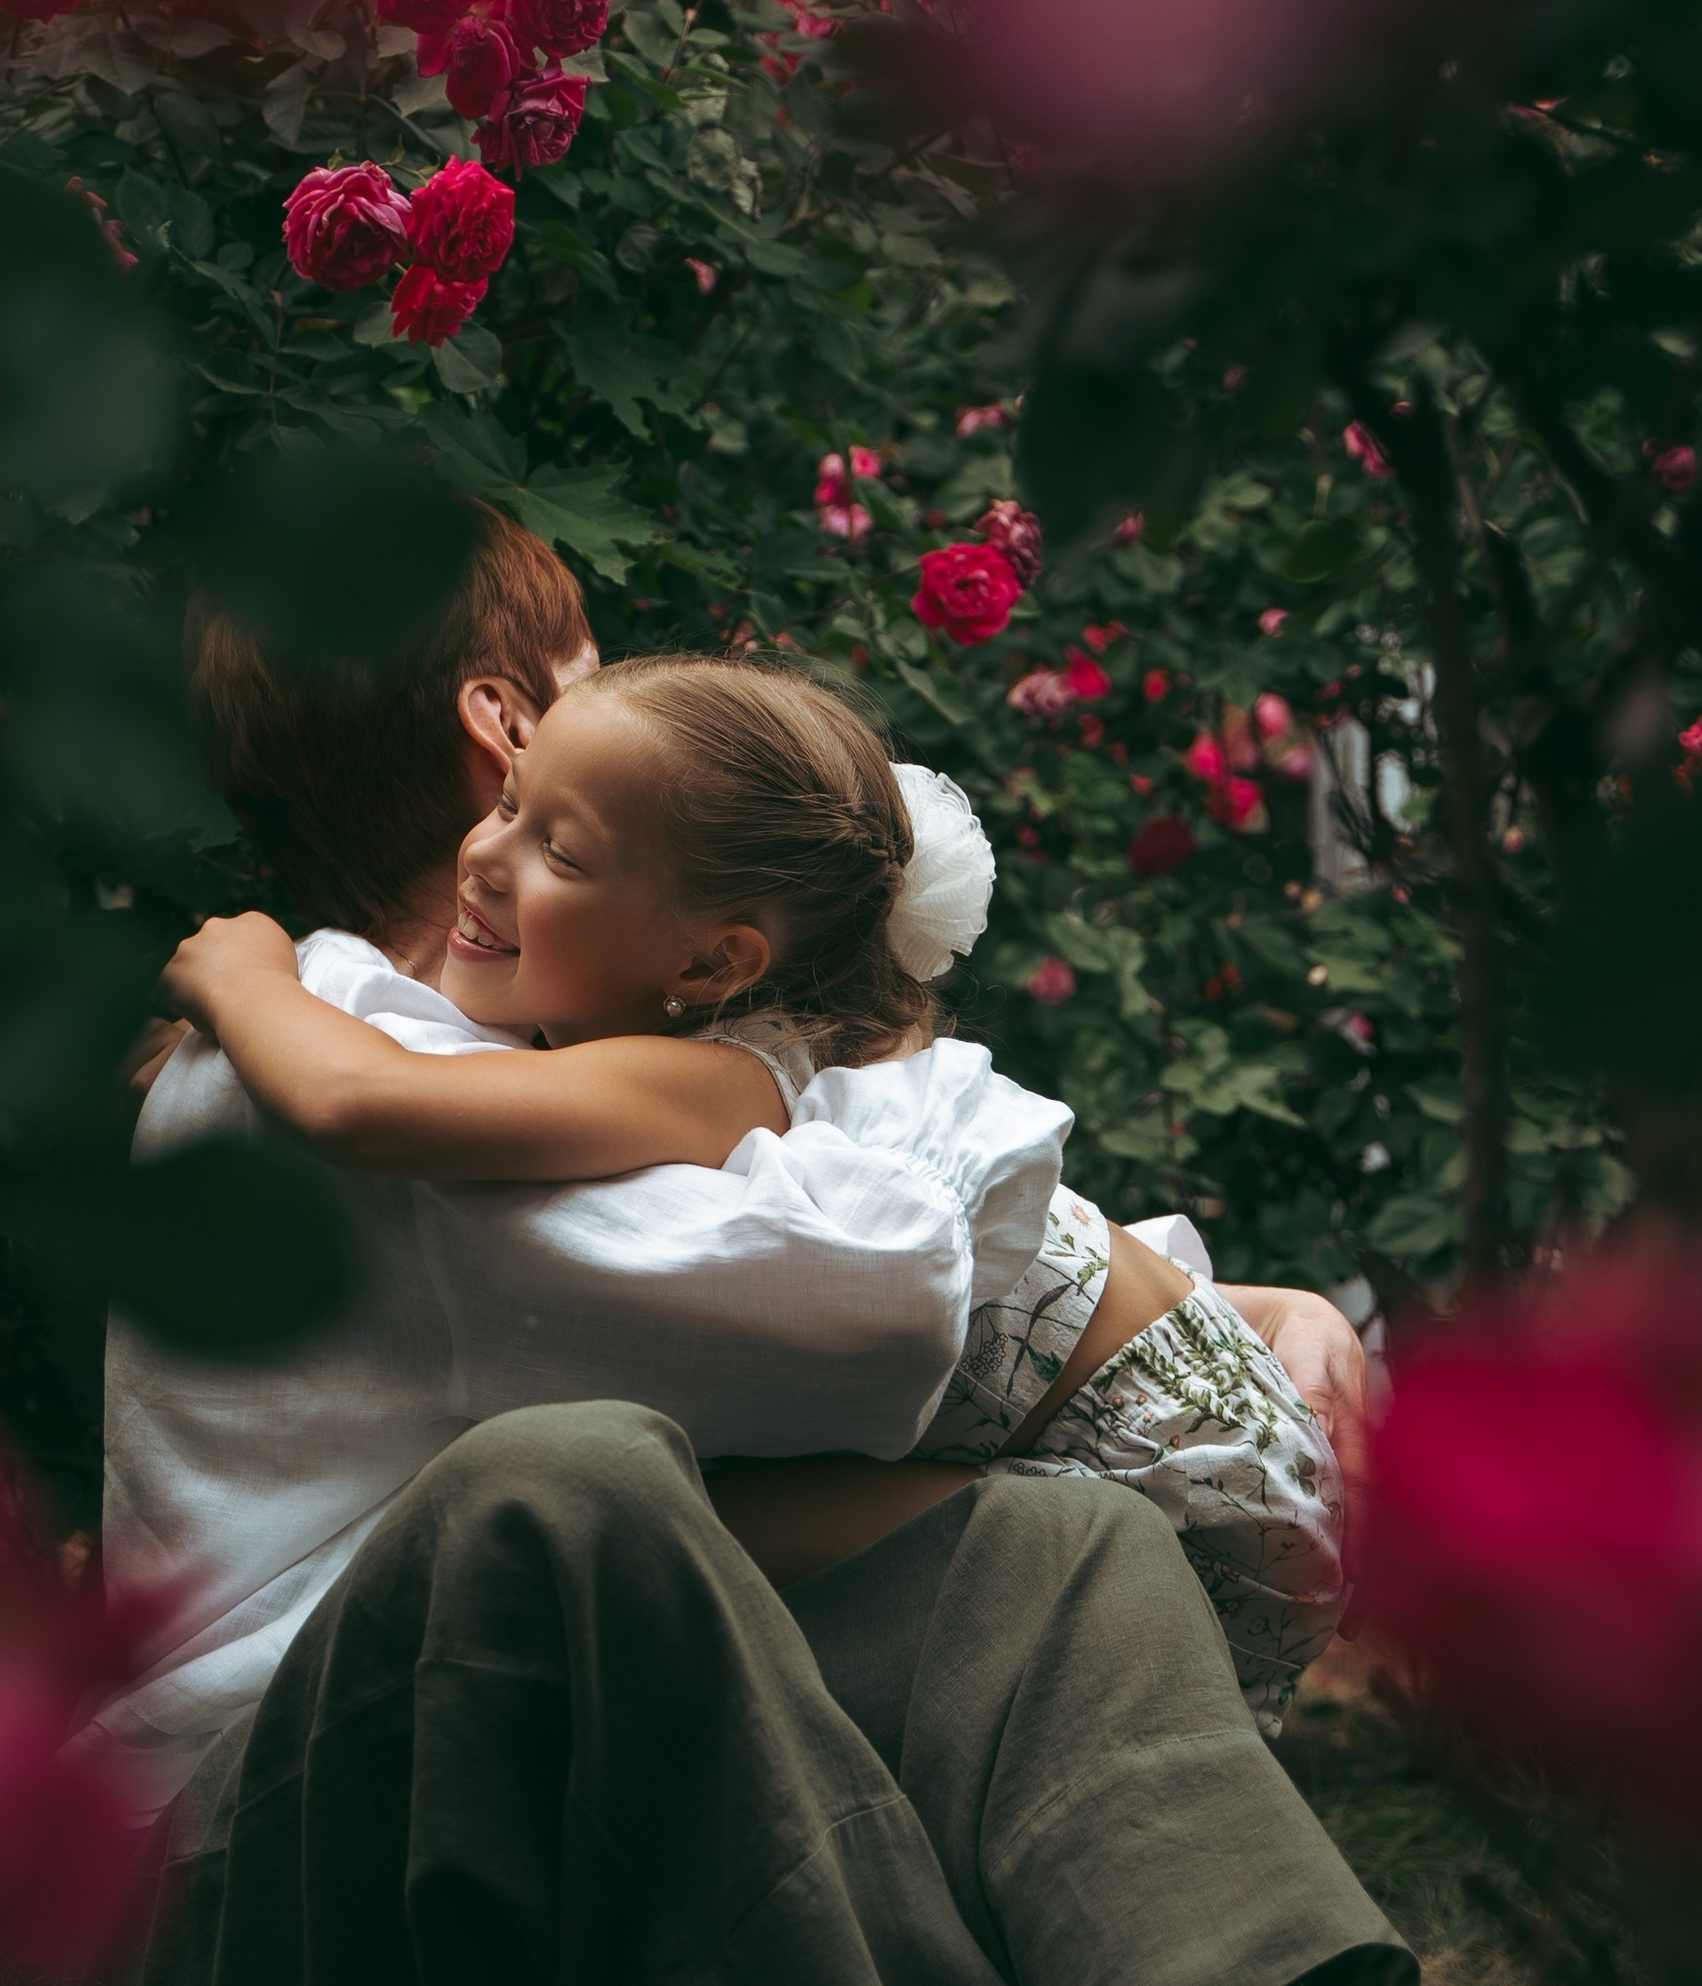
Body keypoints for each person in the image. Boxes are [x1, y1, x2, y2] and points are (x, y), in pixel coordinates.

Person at [101, 506, 1489, 1986]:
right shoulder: (345, 1073)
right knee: (582, 1491)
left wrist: (1234, 1301)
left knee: (1045, 1558)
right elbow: (885, 1307)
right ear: (501, 724)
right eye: (595, 665)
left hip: (495, 1814)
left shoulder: (530, 1068)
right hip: (278, 1899)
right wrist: (1169, 1325)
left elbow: (867, 1222)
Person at [162, 651, 1340, 1734]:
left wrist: (245, 973)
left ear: (713, 964)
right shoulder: (753, 1050)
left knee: (641, 1537)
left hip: (1182, 1491)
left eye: (559, 854)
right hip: (1198, 1415)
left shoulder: (709, 1074)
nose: (485, 855)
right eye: (510, 803)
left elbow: (360, 1109)